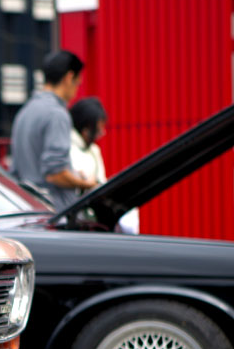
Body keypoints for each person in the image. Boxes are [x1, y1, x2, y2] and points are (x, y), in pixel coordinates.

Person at [9, 50, 87, 209]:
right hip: (56, 213)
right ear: (69, 77)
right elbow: (55, 174)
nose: (76, 91)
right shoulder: (57, 114)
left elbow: (17, 170)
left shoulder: (25, 112)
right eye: (78, 83)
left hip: (29, 208)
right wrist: (85, 183)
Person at [68, 97, 140, 234]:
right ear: (86, 128)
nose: (102, 133)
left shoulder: (94, 151)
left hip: (94, 220)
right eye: (99, 128)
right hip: (76, 222)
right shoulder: (66, 150)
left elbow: (100, 183)